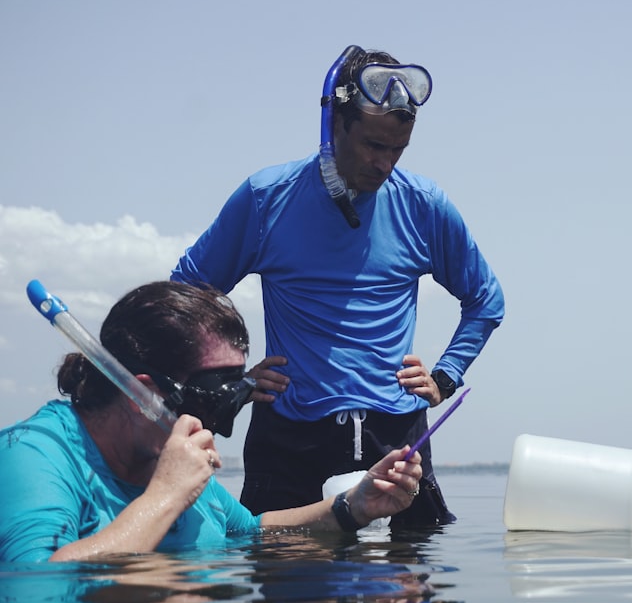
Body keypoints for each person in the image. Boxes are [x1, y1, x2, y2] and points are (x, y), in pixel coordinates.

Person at [171, 45, 504, 526]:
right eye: (373, 145)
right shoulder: (267, 199)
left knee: (407, 590)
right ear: (335, 124)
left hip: (395, 435)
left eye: (397, 150)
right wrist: (231, 382)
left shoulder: (423, 205)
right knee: (285, 585)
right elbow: (183, 297)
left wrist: (446, 376)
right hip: (290, 438)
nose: (384, 164)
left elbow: (485, 299)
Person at [0, 282, 423, 562]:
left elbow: (251, 532)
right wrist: (166, 495)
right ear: (145, 396)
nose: (216, 427)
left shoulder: (161, 455)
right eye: (212, 401)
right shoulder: (34, 457)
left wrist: (353, 507)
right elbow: (38, 584)